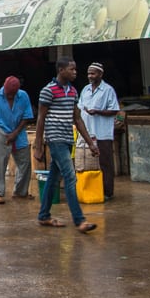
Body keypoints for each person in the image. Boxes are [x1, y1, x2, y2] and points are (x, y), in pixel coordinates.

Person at [33, 56, 100, 234]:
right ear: (61, 70)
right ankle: (79, 220)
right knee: (70, 177)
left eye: (75, 69)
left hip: (67, 139)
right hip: (55, 139)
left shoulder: (72, 91)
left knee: (54, 178)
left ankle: (43, 215)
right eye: (72, 69)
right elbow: (40, 119)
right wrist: (38, 145)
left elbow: (77, 119)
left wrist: (90, 143)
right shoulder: (48, 91)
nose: (75, 72)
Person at [0, 76, 34, 204]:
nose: (10, 96)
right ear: (4, 88)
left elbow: (27, 116)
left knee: (25, 163)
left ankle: (20, 192)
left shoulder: (23, 96)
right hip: (2, 132)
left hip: (19, 132)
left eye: (13, 94)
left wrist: (15, 132)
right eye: (8, 94)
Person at [78, 62, 120, 201]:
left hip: (102, 133)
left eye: (93, 73)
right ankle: (93, 190)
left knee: (105, 163)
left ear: (100, 74)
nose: (90, 76)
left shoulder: (108, 90)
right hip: (87, 133)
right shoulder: (85, 89)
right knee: (89, 164)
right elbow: (79, 107)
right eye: (89, 73)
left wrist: (98, 111)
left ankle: (107, 192)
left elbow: (114, 110)